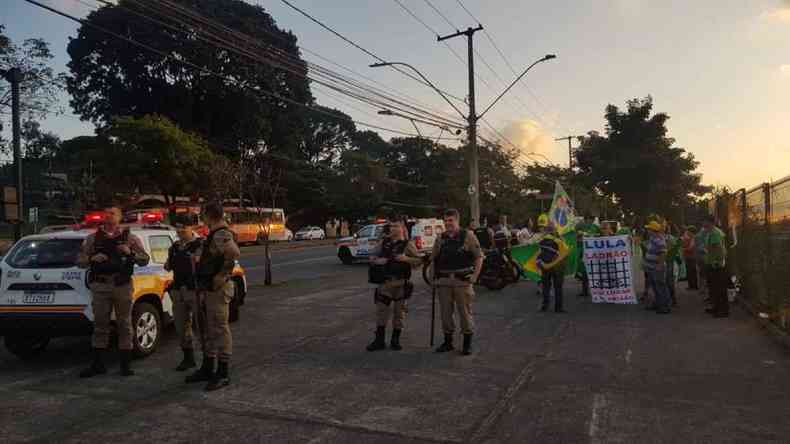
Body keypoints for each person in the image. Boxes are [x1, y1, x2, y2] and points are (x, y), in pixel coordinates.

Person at [78, 206, 150, 378]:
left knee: (124, 324)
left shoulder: (130, 238)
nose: (109, 216)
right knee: (100, 324)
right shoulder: (92, 239)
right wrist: (91, 259)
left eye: (113, 213)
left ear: (119, 217)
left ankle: (125, 364)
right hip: (101, 286)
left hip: (122, 285)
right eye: (107, 213)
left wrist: (130, 252)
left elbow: (144, 260)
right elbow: (79, 261)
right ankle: (98, 364)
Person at [186, 202, 241, 391]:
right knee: (207, 329)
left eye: (203, 214)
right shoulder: (213, 234)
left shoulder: (222, 234)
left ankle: (223, 372)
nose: (201, 217)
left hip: (218, 289)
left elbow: (233, 253)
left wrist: (221, 275)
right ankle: (208, 367)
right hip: (208, 288)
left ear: (209, 215)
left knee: (219, 328)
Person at [430, 208, 484, 356]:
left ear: (457, 220)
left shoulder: (468, 236)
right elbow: (433, 259)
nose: (448, 223)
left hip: (462, 282)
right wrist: (432, 278)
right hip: (444, 282)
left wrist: (475, 277)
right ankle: (448, 342)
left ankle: (467, 343)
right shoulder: (441, 238)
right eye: (446, 221)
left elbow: (479, 257)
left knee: (465, 313)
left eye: (451, 220)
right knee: (446, 314)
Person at [366, 218, 423, 351]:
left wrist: (406, 259)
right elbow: (372, 256)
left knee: (399, 313)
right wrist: (376, 260)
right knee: (381, 312)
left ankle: (395, 340)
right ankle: (379, 340)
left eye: (396, 226)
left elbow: (418, 261)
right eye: (391, 226)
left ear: (402, 228)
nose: (393, 229)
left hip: (401, 284)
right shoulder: (384, 243)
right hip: (385, 283)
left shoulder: (408, 244)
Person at [164, 223, 204, 371]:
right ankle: (188, 358)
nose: (180, 231)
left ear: (191, 228)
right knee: (181, 327)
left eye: (183, 228)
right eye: (177, 229)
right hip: (178, 291)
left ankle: (207, 361)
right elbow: (168, 265)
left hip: (195, 290)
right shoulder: (174, 247)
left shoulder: (200, 244)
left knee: (202, 326)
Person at [536, 214, 570, 312]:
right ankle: (557, 308)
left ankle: (545, 306)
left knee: (547, 286)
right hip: (556, 266)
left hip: (546, 264)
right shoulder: (558, 237)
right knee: (556, 287)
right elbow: (566, 249)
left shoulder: (541, 237)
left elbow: (534, 249)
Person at [701, 216, 728, 318]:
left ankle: (722, 310)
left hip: (716, 265)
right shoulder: (712, 232)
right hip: (713, 263)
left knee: (718, 288)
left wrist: (718, 261)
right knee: (714, 288)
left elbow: (719, 249)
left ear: (709, 222)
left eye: (704, 221)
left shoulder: (714, 233)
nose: (703, 223)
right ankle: (716, 307)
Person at [643, 221, 671, 314]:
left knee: (661, 287)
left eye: (649, 229)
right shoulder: (653, 238)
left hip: (657, 267)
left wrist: (659, 265)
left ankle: (665, 306)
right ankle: (658, 304)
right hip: (652, 267)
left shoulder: (659, 239)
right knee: (656, 287)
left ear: (653, 230)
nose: (647, 230)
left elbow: (663, 253)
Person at [575, 214, 601, 298]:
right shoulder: (579, 226)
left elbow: (601, 237)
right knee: (584, 272)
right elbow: (575, 237)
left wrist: (594, 236)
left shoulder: (596, 227)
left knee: (594, 272)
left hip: (593, 253)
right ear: (586, 219)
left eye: (592, 220)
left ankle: (595, 290)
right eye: (589, 219)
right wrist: (580, 235)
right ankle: (585, 290)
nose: (590, 221)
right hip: (584, 252)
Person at [665, 223, 683, 307]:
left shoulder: (668, 238)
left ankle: (670, 300)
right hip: (671, 262)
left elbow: (670, 250)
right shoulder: (673, 238)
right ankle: (672, 299)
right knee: (670, 282)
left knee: (668, 282)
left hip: (668, 261)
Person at [682, 226, 699, 290]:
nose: (687, 232)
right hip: (689, 257)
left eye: (688, 231)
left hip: (692, 257)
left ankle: (694, 286)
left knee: (692, 272)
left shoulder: (693, 238)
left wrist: (684, 249)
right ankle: (691, 285)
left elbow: (691, 248)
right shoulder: (690, 237)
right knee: (689, 272)